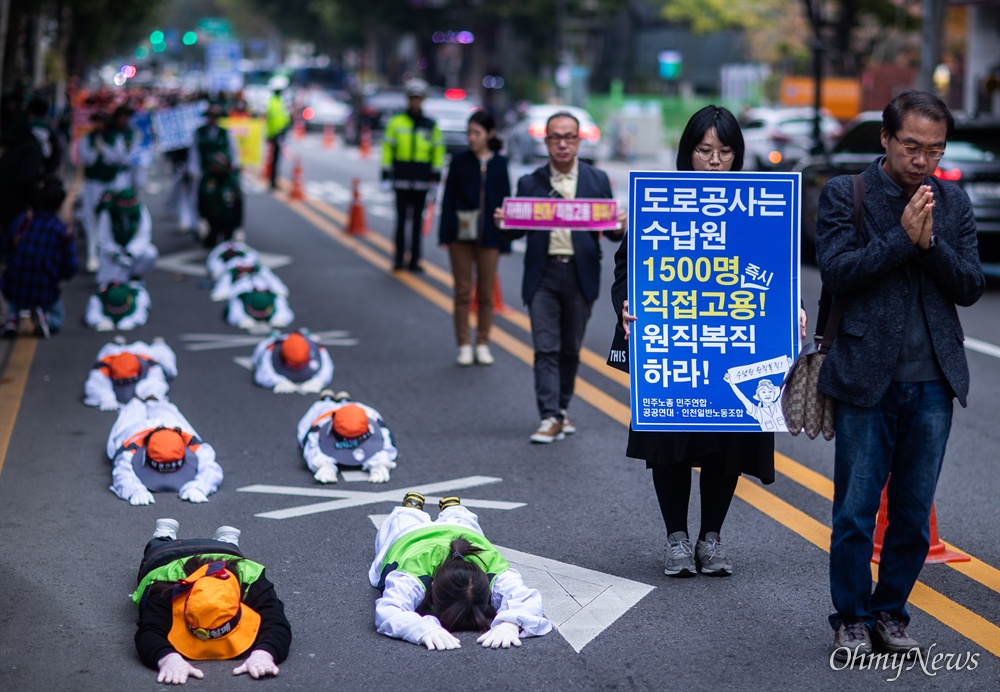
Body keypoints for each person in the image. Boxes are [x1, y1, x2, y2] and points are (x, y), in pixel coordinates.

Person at [814, 90, 984, 661]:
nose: (922, 160)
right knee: (856, 511)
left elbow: (969, 286)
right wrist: (899, 240)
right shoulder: (848, 193)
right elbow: (837, 272)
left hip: (934, 377)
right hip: (866, 374)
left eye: (934, 149)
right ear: (886, 139)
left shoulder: (953, 202)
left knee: (912, 513)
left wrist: (929, 243)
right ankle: (851, 617)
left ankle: (890, 612)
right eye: (911, 146)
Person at [611, 106, 777, 579]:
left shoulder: (757, 203)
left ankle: (712, 537)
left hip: (733, 344)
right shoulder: (662, 202)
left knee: (728, 442)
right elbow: (628, 268)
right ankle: (677, 538)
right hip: (677, 344)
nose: (714, 161)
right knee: (671, 441)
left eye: (725, 152)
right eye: (704, 151)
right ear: (687, 153)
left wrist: (792, 307)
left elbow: (775, 266)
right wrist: (627, 305)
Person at [496, 110, 624, 443]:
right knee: (545, 347)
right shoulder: (530, 182)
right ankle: (549, 415)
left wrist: (620, 224)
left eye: (569, 137)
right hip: (543, 274)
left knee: (570, 348)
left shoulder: (596, 180)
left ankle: (561, 408)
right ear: (547, 141)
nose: (562, 144)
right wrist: (503, 222)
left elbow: (609, 233)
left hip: (581, 274)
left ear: (579, 140)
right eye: (556, 137)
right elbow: (513, 234)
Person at [369, 493, 552, 649]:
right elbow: (388, 609)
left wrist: (510, 625)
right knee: (405, 519)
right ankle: (420, 508)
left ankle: (441, 507)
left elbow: (392, 609)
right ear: (432, 585)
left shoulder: (492, 565)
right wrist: (422, 629)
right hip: (413, 534)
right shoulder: (415, 568)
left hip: (461, 531)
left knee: (455, 521)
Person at [132, 518, 291, 685]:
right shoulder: (166, 587)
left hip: (225, 553)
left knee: (229, 549)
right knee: (157, 545)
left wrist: (264, 654)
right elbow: (148, 631)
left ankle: (227, 541)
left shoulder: (251, 581)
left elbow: (277, 623)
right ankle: (163, 535)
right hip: (167, 555)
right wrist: (167, 659)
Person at [439, 109, 511, 366]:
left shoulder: (500, 163)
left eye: (477, 133)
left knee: (486, 293)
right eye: (469, 133)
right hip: (461, 234)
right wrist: (444, 233)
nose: (471, 138)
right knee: (462, 291)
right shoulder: (459, 161)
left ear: (490, 134)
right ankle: (463, 345)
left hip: (490, 235)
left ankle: (482, 342)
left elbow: (505, 201)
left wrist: (506, 238)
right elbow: (447, 199)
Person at [107, 394, 224, 506]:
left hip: (172, 423)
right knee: (133, 408)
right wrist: (134, 490)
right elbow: (121, 470)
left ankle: (154, 400)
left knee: (162, 406)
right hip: (135, 429)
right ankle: (137, 402)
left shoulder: (190, 442)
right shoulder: (131, 446)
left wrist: (200, 486)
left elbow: (211, 467)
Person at [1, 175, 77, 337]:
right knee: (58, 320)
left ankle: (13, 317)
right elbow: (70, 268)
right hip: (44, 289)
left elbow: (7, 249)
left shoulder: (22, 222)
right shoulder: (62, 231)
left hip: (13, 286)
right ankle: (43, 317)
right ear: (59, 206)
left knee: (18, 282)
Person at [382, 79, 445, 272]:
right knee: (401, 221)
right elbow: (388, 148)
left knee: (417, 222)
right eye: (412, 98)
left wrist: (436, 175)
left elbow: (437, 151)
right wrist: (385, 173)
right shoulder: (396, 122)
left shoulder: (430, 125)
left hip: (421, 179)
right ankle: (398, 259)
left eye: (418, 98)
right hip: (401, 178)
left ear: (423, 100)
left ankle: (415, 260)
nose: (415, 102)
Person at [296, 390, 397, 484]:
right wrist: (323, 464)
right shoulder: (320, 424)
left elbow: (386, 444)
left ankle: (343, 400)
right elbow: (309, 445)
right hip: (326, 411)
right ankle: (327, 399)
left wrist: (380, 463)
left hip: (353, 414)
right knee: (322, 406)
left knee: (347, 406)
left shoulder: (372, 415)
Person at [190, 103, 242, 248]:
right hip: (206, 174)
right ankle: (204, 229)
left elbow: (233, 152)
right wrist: (194, 171)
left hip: (224, 175)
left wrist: (234, 168)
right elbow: (194, 153)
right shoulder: (199, 132)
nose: (212, 119)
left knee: (231, 200)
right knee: (203, 200)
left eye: (215, 117)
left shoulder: (225, 132)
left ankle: (230, 231)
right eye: (210, 117)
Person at [84, 336, 178, 410]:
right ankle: (117, 344)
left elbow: (157, 381)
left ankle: (159, 343)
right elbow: (94, 383)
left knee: (168, 366)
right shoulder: (104, 365)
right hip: (116, 353)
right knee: (108, 350)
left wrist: (149, 393)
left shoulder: (151, 365)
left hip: (143, 353)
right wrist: (104, 397)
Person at [94, 187, 158, 285]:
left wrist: (130, 252)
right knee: (110, 284)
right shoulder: (108, 213)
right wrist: (117, 253)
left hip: (132, 253)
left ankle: (135, 275)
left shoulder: (141, 210)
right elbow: (104, 240)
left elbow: (144, 236)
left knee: (151, 253)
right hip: (113, 255)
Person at [252, 329, 333, 394]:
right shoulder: (270, 350)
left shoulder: (318, 348)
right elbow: (260, 374)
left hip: (307, 340)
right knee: (261, 348)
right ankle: (273, 336)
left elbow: (328, 368)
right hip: (276, 342)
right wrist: (277, 381)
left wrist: (318, 381)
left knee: (312, 338)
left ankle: (305, 334)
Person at [226, 279, 294, 332]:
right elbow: (234, 310)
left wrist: (280, 318)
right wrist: (241, 319)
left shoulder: (274, 297)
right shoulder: (242, 296)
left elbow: (283, 309)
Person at [211, 257, 287, 303]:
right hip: (242, 289)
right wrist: (221, 293)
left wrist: (279, 290)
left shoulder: (258, 269)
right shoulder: (233, 271)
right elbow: (225, 283)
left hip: (260, 286)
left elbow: (271, 279)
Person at [85, 280, 150, 331]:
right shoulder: (98, 298)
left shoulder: (138, 295)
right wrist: (101, 321)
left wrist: (130, 321)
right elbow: (91, 315)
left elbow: (141, 314)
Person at [265, 77, 291, 191]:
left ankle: (274, 180)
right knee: (274, 160)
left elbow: (283, 118)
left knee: (276, 159)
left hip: (278, 134)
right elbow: (273, 121)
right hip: (276, 135)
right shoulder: (274, 102)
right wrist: (274, 134)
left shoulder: (278, 101)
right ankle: (272, 181)